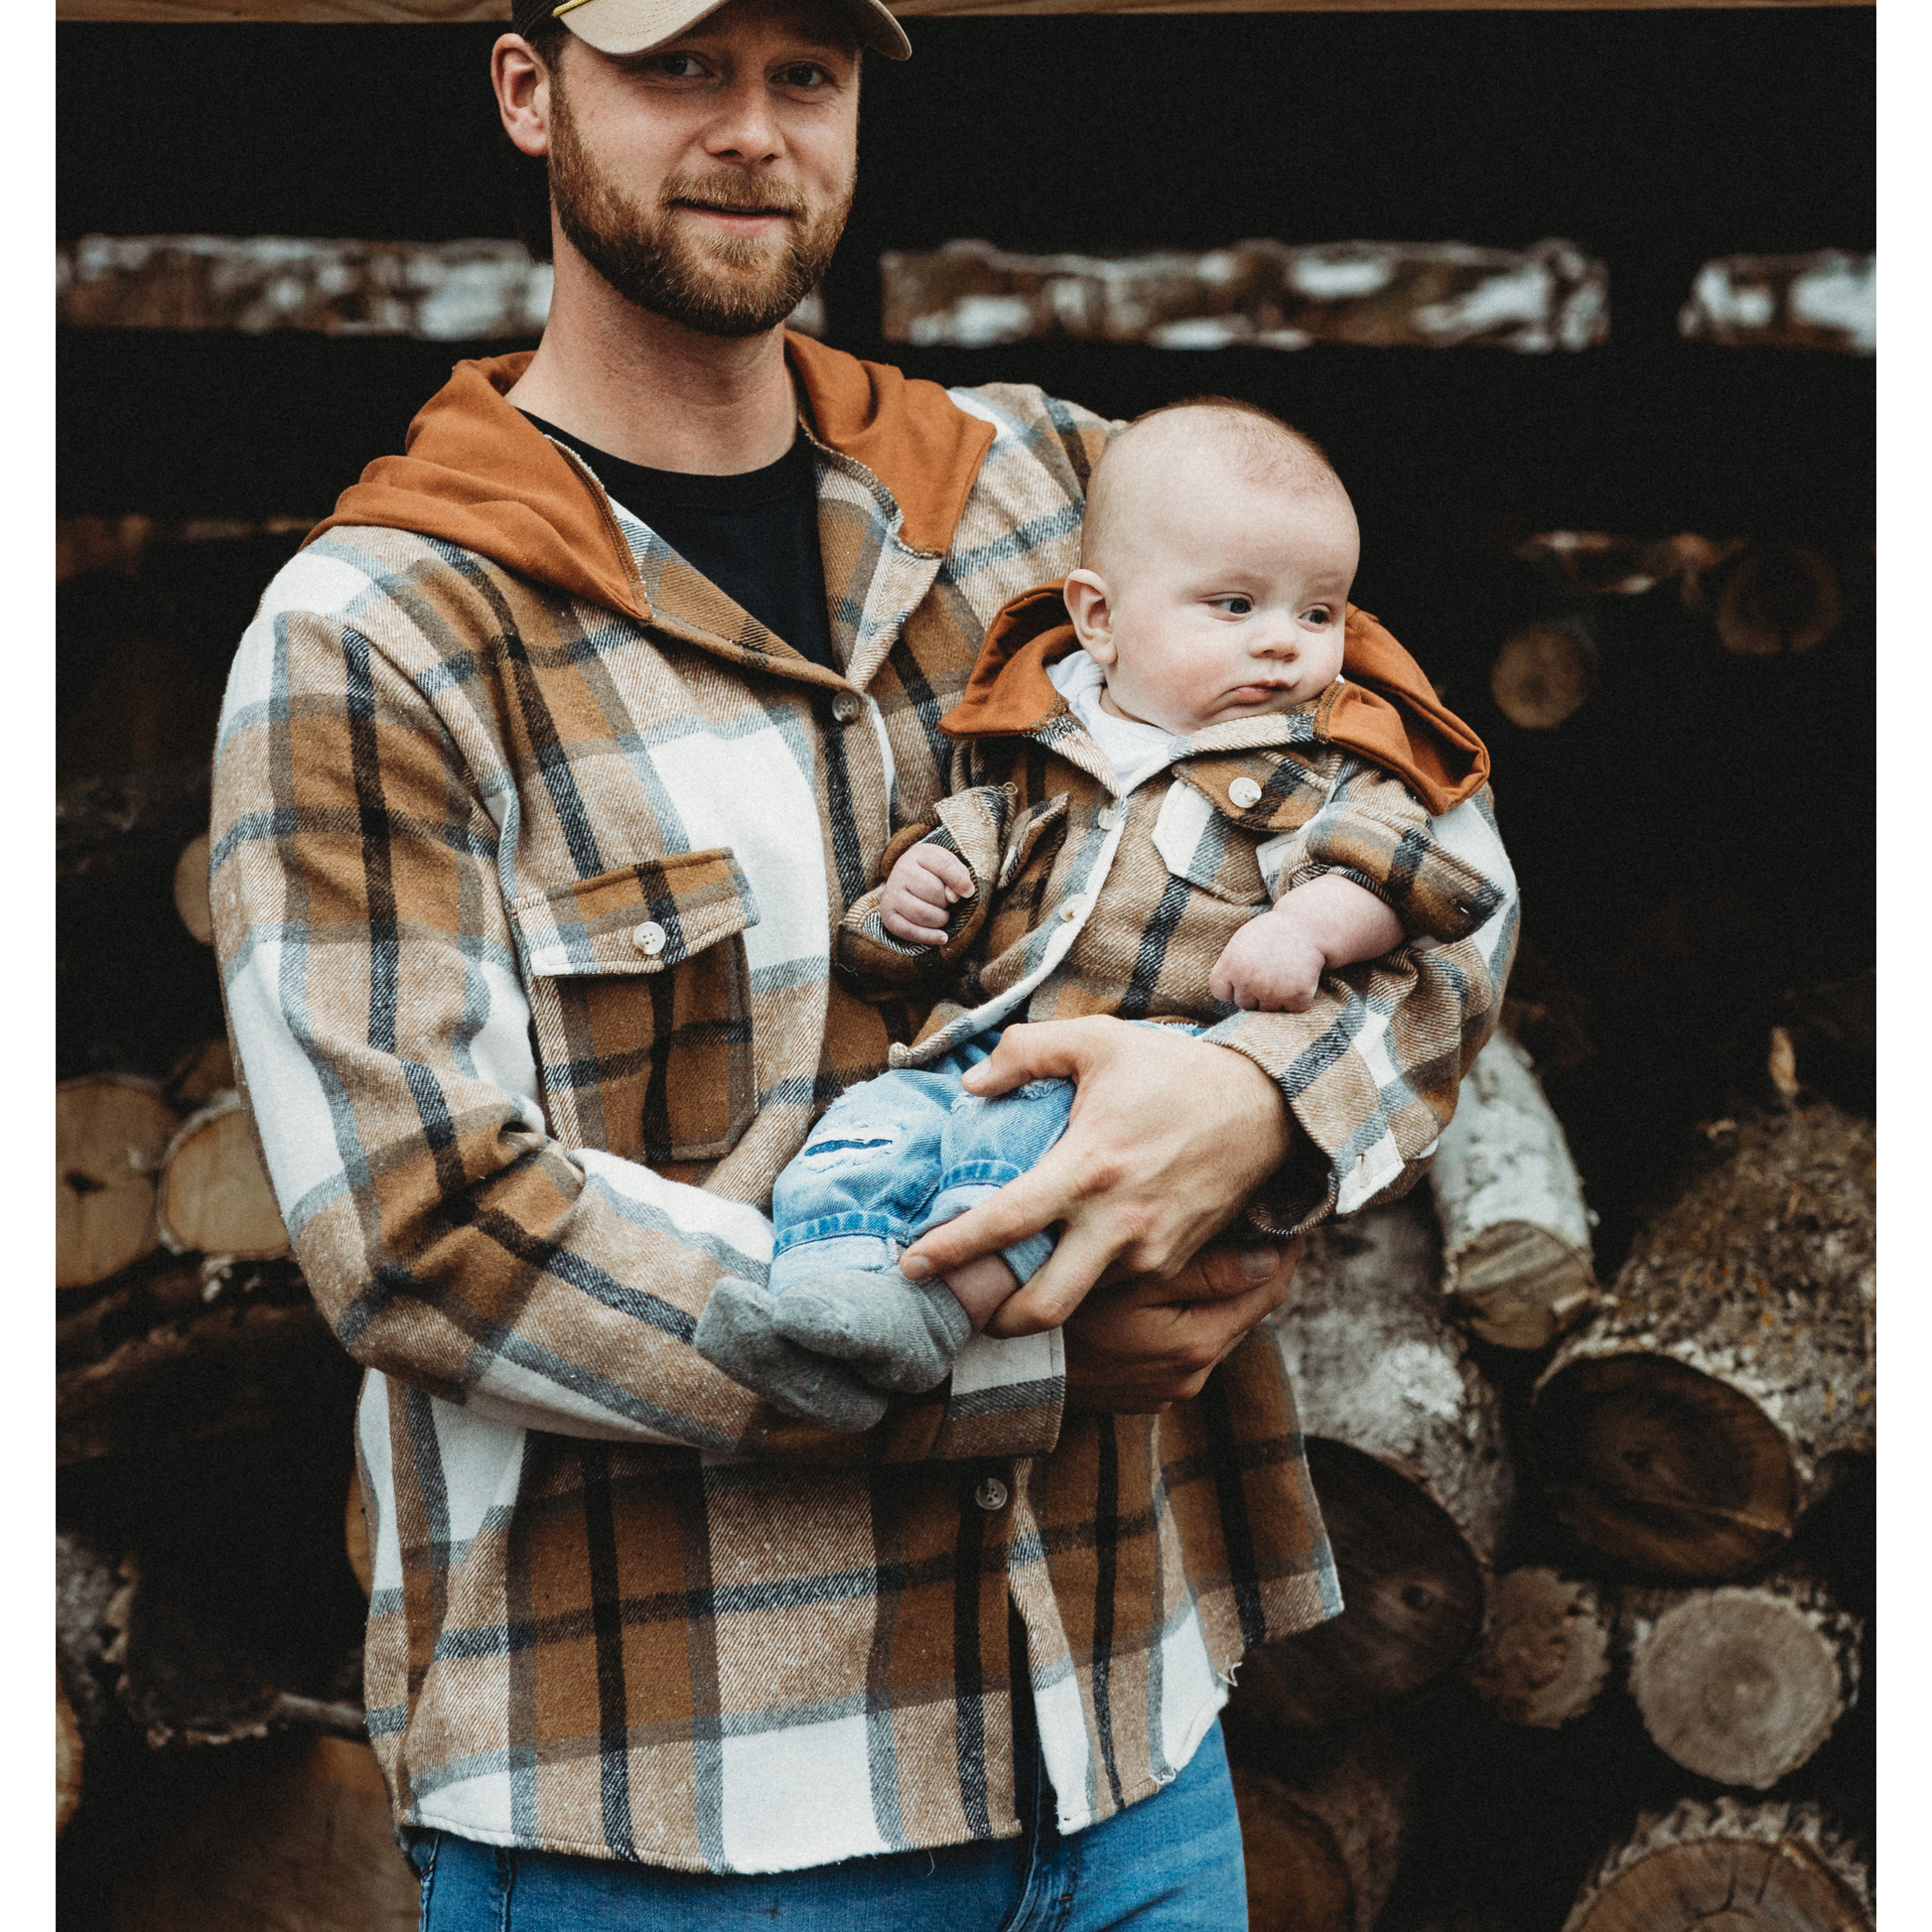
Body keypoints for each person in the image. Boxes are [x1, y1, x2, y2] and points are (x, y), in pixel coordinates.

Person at [206, 0, 1518, 1921]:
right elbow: (425, 1226)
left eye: (803, 75)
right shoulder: (379, 633)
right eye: (678, 66)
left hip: (1128, 1747)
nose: (752, 128)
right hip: (686, 1814)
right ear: (527, 90)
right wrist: (1016, 1346)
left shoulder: (1056, 490)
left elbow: (1442, 836)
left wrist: (1253, 1107)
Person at [696, 399, 1512, 1427]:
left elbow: (1407, 875)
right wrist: (913, 904)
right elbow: (966, 857)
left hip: (1147, 1063)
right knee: (866, 1129)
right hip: (979, 1043)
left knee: (1019, 1145)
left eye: (1318, 615)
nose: (1283, 645)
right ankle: (828, 1298)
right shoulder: (1034, 740)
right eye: (1234, 606)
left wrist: (1308, 928)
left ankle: (930, 1316)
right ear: (1098, 618)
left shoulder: (1325, 757)